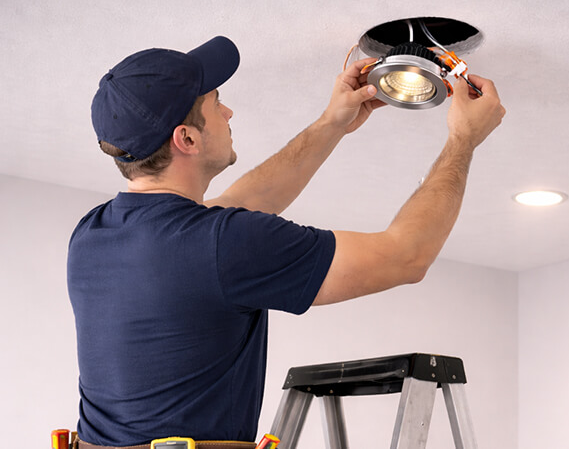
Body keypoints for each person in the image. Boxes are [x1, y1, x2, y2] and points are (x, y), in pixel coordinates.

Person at [67, 35, 504, 448]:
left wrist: (331, 123)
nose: (229, 113)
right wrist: (463, 141)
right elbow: (408, 256)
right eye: (216, 104)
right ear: (187, 139)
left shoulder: (92, 235)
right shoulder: (222, 243)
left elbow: (242, 203)